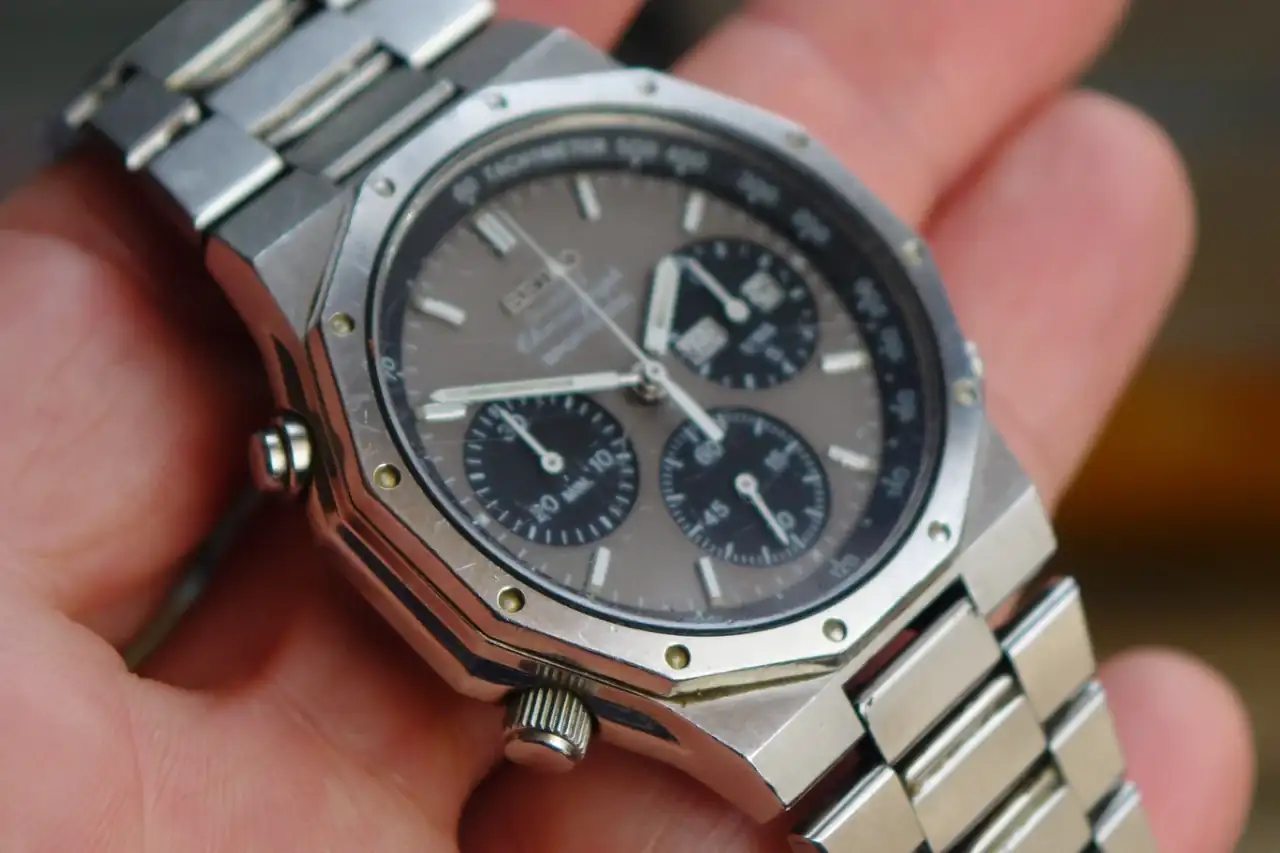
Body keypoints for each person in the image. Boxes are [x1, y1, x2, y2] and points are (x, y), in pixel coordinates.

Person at [0, 0, 1253, 850]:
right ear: (313, 465)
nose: (646, 377)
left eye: (652, 358)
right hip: (741, 658)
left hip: (929, 518)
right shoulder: (287, 255)